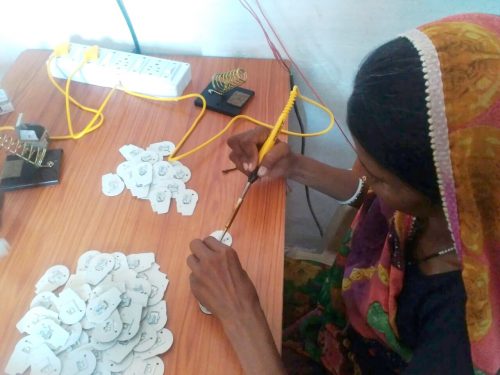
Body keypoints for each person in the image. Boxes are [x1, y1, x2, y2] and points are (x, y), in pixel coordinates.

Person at [187, 13, 499, 375]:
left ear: (452, 193)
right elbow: (371, 196)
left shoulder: (467, 338)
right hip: (342, 320)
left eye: (379, 177)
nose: (360, 174)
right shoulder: (452, 196)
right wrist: (294, 166)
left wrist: (241, 314)